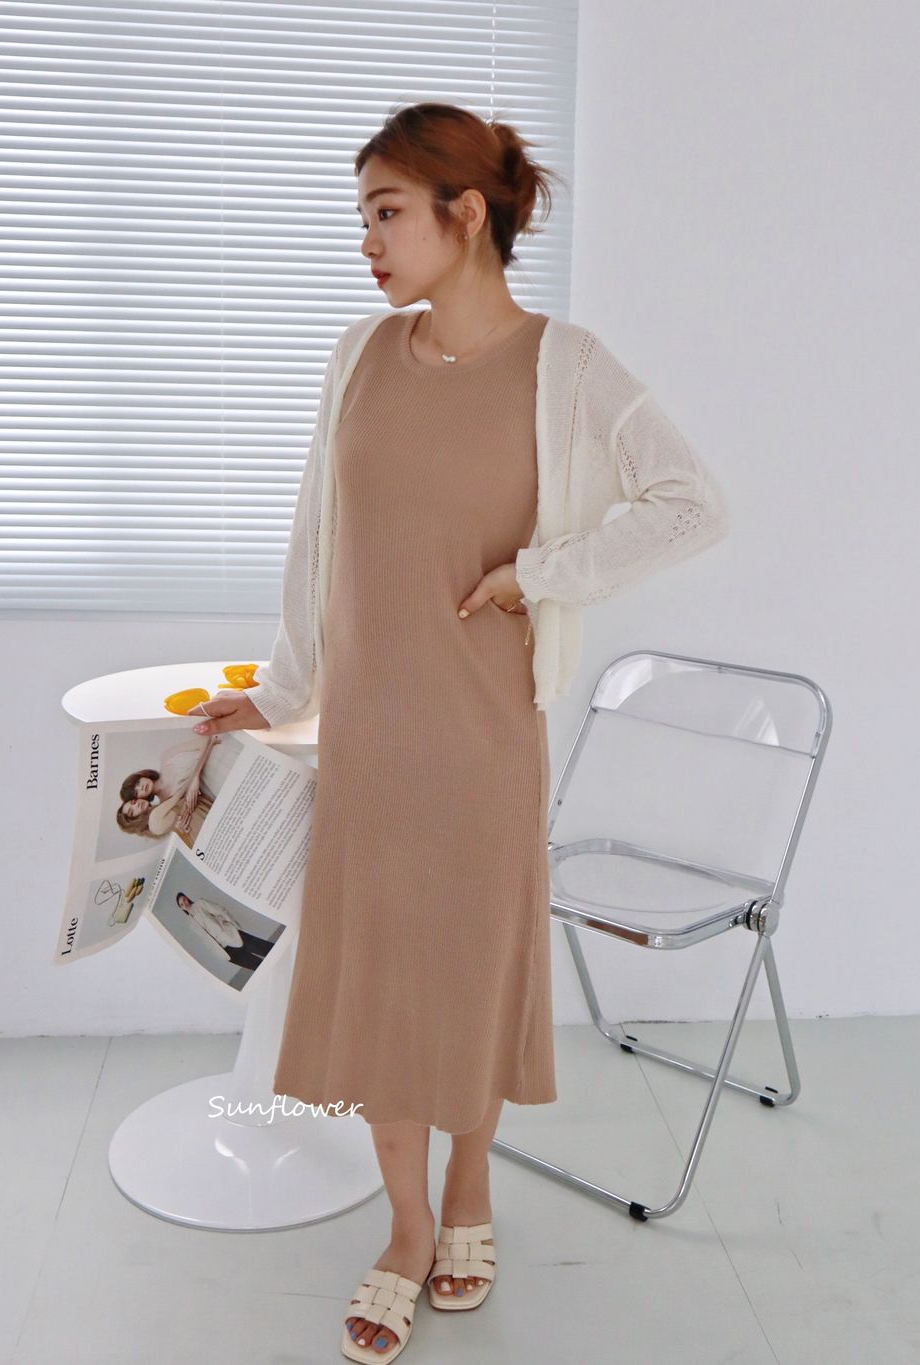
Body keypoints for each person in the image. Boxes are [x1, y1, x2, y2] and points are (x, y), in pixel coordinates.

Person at [187, 102, 730, 1362]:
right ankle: (407, 1225)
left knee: (471, 974)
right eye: (362, 216)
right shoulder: (360, 355)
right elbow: (318, 541)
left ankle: (472, 1191)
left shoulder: (566, 368)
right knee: (380, 979)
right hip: (369, 737)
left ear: (465, 213)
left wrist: (541, 574)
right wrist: (283, 688)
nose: (366, 241)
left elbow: (690, 502)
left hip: (485, 736)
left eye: (386, 212)